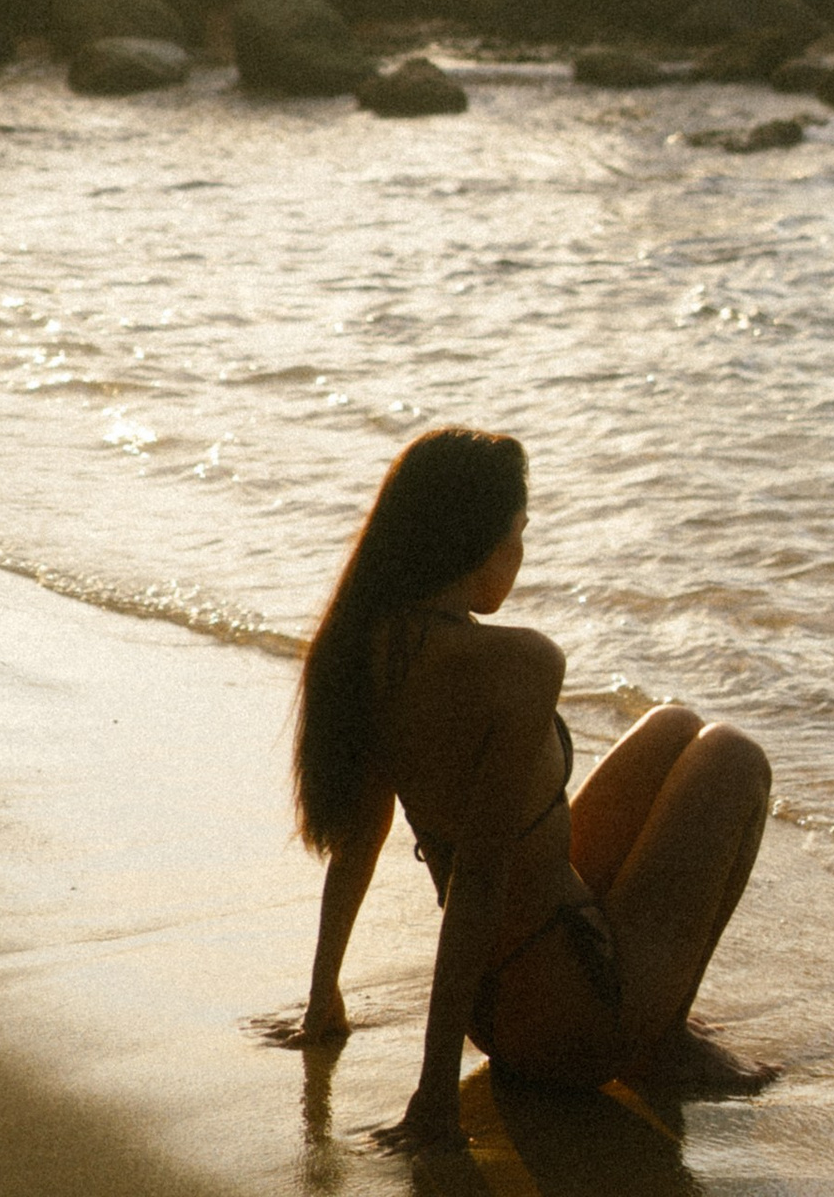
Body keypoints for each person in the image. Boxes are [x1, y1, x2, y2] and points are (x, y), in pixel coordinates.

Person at [294, 426, 774, 1152]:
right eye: (519, 533)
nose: (521, 552)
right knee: (735, 755)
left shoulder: (371, 650)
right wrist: (433, 1101)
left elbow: (362, 834)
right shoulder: (517, 663)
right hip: (577, 1023)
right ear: (479, 543)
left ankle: (656, 1020)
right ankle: (662, 1040)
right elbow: (481, 881)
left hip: (499, 1014)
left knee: (674, 725)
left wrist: (322, 996)